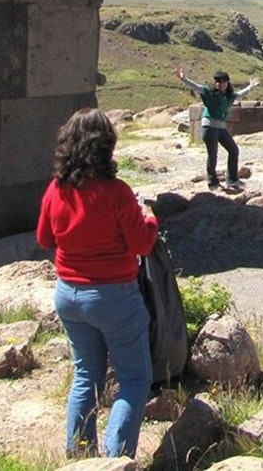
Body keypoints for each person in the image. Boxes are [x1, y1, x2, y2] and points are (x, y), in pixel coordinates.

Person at [36, 107, 160, 459]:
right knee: (134, 379)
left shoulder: (56, 189)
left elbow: (45, 238)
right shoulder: (117, 193)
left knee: (85, 377)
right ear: (106, 145)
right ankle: (116, 459)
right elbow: (142, 245)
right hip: (114, 296)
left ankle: (79, 456)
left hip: (68, 294)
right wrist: (150, 218)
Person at [175, 67, 258, 189]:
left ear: (227, 83)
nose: (221, 84)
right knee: (213, 155)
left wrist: (250, 87)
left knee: (233, 150)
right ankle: (213, 183)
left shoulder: (229, 96)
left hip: (220, 128)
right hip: (209, 127)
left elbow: (239, 95)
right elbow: (197, 87)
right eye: (218, 81)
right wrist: (184, 79)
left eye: (224, 81)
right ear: (215, 83)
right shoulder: (209, 92)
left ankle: (232, 179)